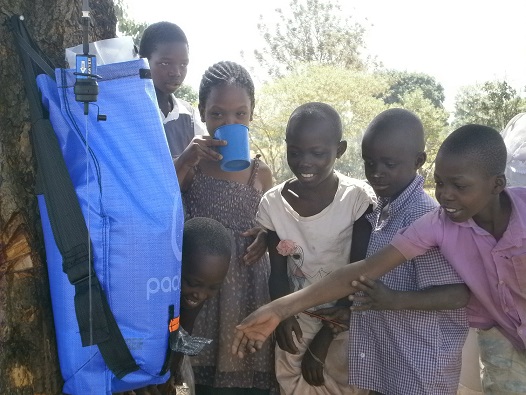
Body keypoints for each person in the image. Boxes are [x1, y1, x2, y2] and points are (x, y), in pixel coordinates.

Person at [232, 124, 526, 395]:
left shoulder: (427, 213)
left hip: (422, 363)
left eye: (459, 186)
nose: (446, 195)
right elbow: (361, 271)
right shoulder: (434, 223)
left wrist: (395, 299)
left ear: (497, 183)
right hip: (500, 336)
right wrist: (278, 309)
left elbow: (456, 294)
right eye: (440, 183)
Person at [339, 108, 468, 394]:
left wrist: (395, 299)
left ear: (419, 161)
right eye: (369, 162)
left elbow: (457, 294)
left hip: (419, 372)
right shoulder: (384, 211)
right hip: (389, 365)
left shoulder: (424, 218)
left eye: (388, 163)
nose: (376, 172)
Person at [257, 102, 374, 395]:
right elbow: (278, 273)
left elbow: (360, 273)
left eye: (318, 153)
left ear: (340, 150)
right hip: (296, 317)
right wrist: (282, 316)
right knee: (293, 383)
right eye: (295, 152)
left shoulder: (356, 201)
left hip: (345, 317)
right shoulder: (273, 204)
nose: (305, 162)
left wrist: (324, 338)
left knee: (342, 384)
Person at [181, 61, 276, 395]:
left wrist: (264, 236)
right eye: (217, 114)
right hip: (200, 283)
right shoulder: (193, 162)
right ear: (202, 113)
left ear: (251, 114)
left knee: (242, 373)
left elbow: (272, 222)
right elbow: (164, 200)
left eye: (240, 114)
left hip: (246, 283)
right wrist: (185, 160)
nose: (229, 122)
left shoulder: (260, 172)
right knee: (195, 368)